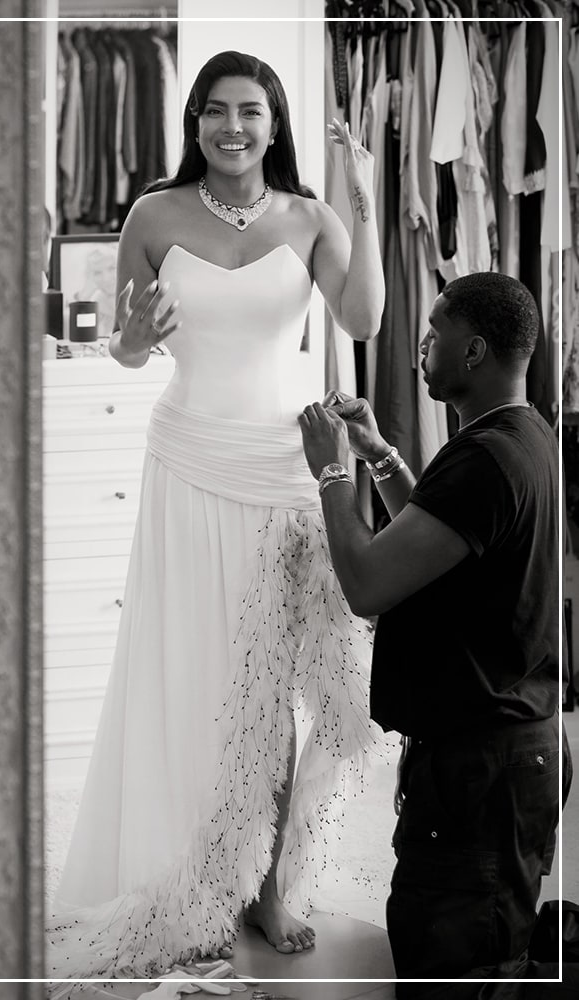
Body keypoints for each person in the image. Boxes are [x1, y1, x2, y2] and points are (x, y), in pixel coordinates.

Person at [46, 50, 386, 985]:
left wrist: (360, 192)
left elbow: (362, 319)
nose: (231, 128)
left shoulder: (311, 218)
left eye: (249, 112)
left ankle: (266, 887)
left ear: (274, 125)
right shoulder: (152, 215)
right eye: (214, 111)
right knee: (186, 672)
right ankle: (186, 877)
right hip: (186, 461)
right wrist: (131, 341)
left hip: (281, 467)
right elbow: (126, 347)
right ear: (194, 121)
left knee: (267, 684)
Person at [299, 271, 577, 997]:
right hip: (504, 754)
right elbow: (436, 536)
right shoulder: (521, 434)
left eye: (434, 331)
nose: (421, 345)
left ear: (474, 350)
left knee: (457, 970)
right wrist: (376, 453)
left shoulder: (486, 459)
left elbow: (369, 582)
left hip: (487, 770)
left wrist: (330, 472)